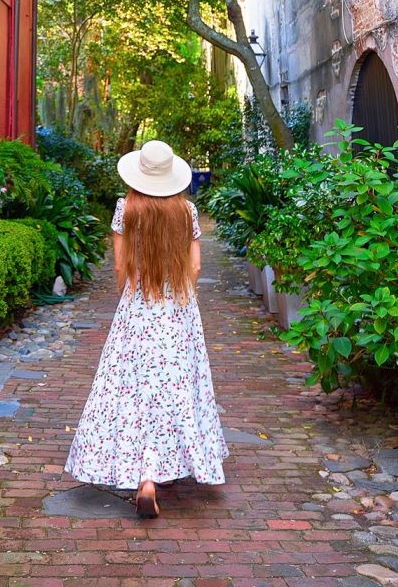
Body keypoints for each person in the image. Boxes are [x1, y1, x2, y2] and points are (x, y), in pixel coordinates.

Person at [64, 139, 229, 517]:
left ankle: (145, 478)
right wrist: (179, 291)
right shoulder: (187, 211)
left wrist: (134, 296)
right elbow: (196, 266)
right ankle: (160, 470)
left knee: (133, 391)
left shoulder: (127, 208)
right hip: (178, 310)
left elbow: (121, 267)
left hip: (138, 308)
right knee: (174, 387)